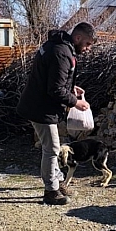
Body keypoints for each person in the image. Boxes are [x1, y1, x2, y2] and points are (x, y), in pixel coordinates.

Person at [17, 22, 96, 205]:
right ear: (77, 38)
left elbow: (53, 81)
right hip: (40, 108)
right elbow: (55, 89)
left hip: (40, 105)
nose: (88, 49)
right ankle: (51, 191)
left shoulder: (57, 46)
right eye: (87, 44)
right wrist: (76, 102)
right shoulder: (61, 53)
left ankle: (58, 181)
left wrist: (70, 88)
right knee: (52, 148)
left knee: (53, 145)